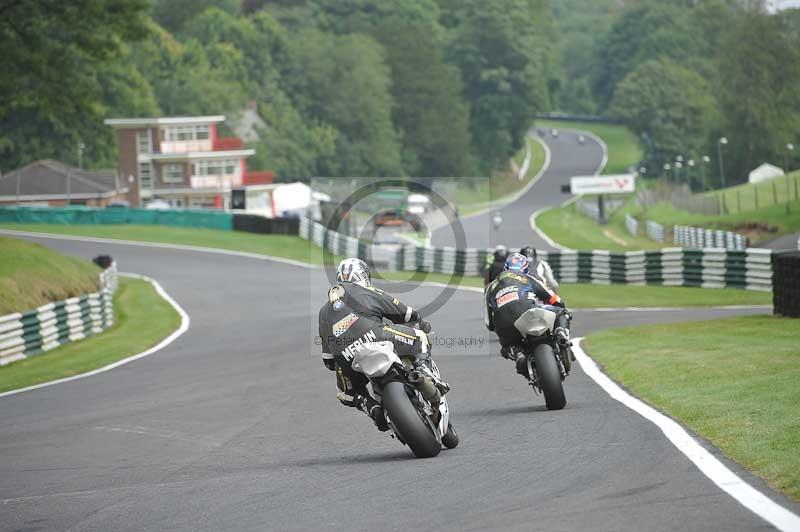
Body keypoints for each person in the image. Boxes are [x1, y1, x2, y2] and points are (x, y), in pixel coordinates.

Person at [318, 258, 446, 431]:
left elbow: (329, 361)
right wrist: (421, 323)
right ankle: (424, 373)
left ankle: (372, 409)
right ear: (363, 275)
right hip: (377, 336)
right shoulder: (365, 290)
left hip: (347, 358)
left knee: (346, 393)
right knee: (420, 338)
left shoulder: (323, 312)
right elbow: (406, 313)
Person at [485, 253, 570, 377]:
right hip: (527, 312)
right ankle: (560, 333)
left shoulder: (490, 287)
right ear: (525, 268)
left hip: (503, 323)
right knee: (561, 312)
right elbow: (553, 299)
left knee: (507, 346)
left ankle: (517, 352)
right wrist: (560, 305)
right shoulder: (527, 277)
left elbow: (489, 323)